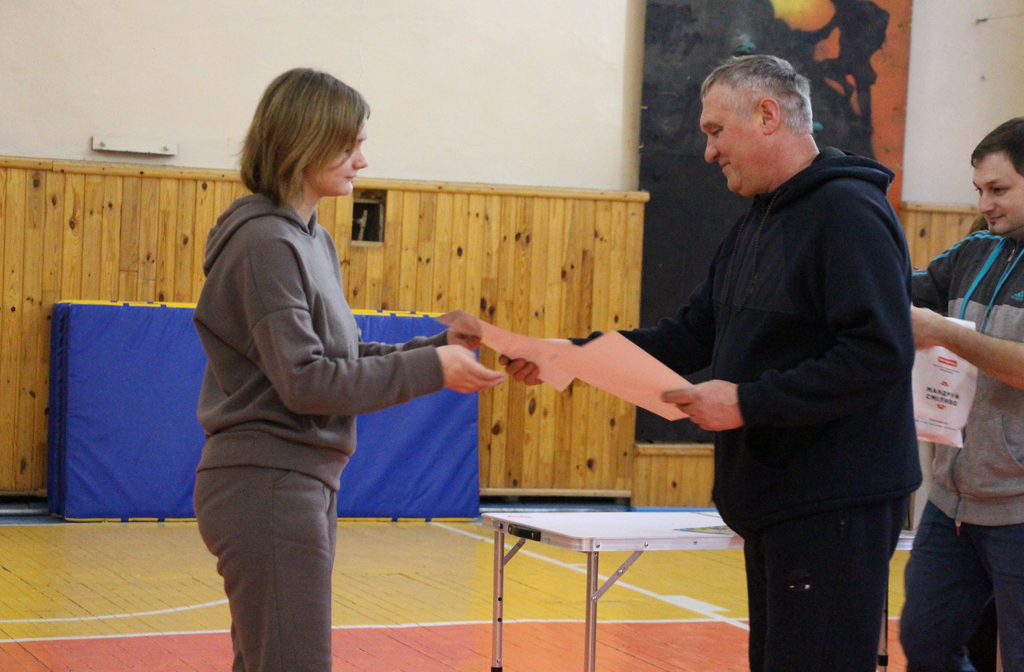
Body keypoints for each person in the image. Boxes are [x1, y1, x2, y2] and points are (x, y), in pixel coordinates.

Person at [503, 54, 921, 671]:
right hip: (779, 499)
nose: (708, 152)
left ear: (768, 115)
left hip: (832, 501)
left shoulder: (848, 213)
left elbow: (879, 353)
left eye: (716, 131)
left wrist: (749, 401)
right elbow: (690, 335)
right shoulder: (760, 219)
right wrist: (570, 356)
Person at [191, 68, 505, 672]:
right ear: (303, 143)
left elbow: (344, 357)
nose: (363, 160)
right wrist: (432, 369)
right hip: (267, 482)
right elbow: (307, 382)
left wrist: (439, 345)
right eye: (349, 144)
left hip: (299, 481)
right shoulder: (265, 244)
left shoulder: (313, 240)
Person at [899, 116, 1024, 672]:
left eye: (998, 189)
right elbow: (898, 292)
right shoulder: (976, 250)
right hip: (952, 504)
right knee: (925, 641)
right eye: (979, 190)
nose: (984, 205)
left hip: (1019, 509)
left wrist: (945, 333)